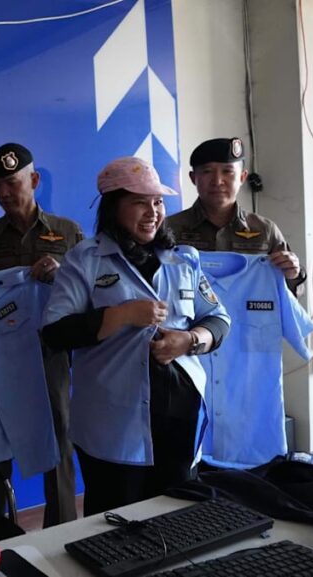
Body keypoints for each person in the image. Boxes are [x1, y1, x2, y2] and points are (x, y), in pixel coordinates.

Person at [41, 156, 231, 516]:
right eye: (140, 203)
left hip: (179, 419)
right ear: (114, 207)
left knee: (179, 516)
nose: (152, 213)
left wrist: (189, 340)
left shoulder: (183, 260)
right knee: (114, 522)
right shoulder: (85, 260)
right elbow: (55, 332)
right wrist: (121, 315)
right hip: (113, 426)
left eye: (157, 202)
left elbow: (219, 320)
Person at [0, 142, 83, 527]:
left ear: (34, 180)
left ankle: (60, 531)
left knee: (58, 439)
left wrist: (62, 273)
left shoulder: (67, 232)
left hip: (51, 352)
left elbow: (90, 291)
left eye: (12, 183)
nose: (3, 193)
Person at [166, 137, 306, 293]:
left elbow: (291, 294)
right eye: (207, 172)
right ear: (193, 178)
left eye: (227, 171)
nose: (218, 181)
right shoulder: (169, 228)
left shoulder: (265, 231)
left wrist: (293, 275)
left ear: (242, 177)